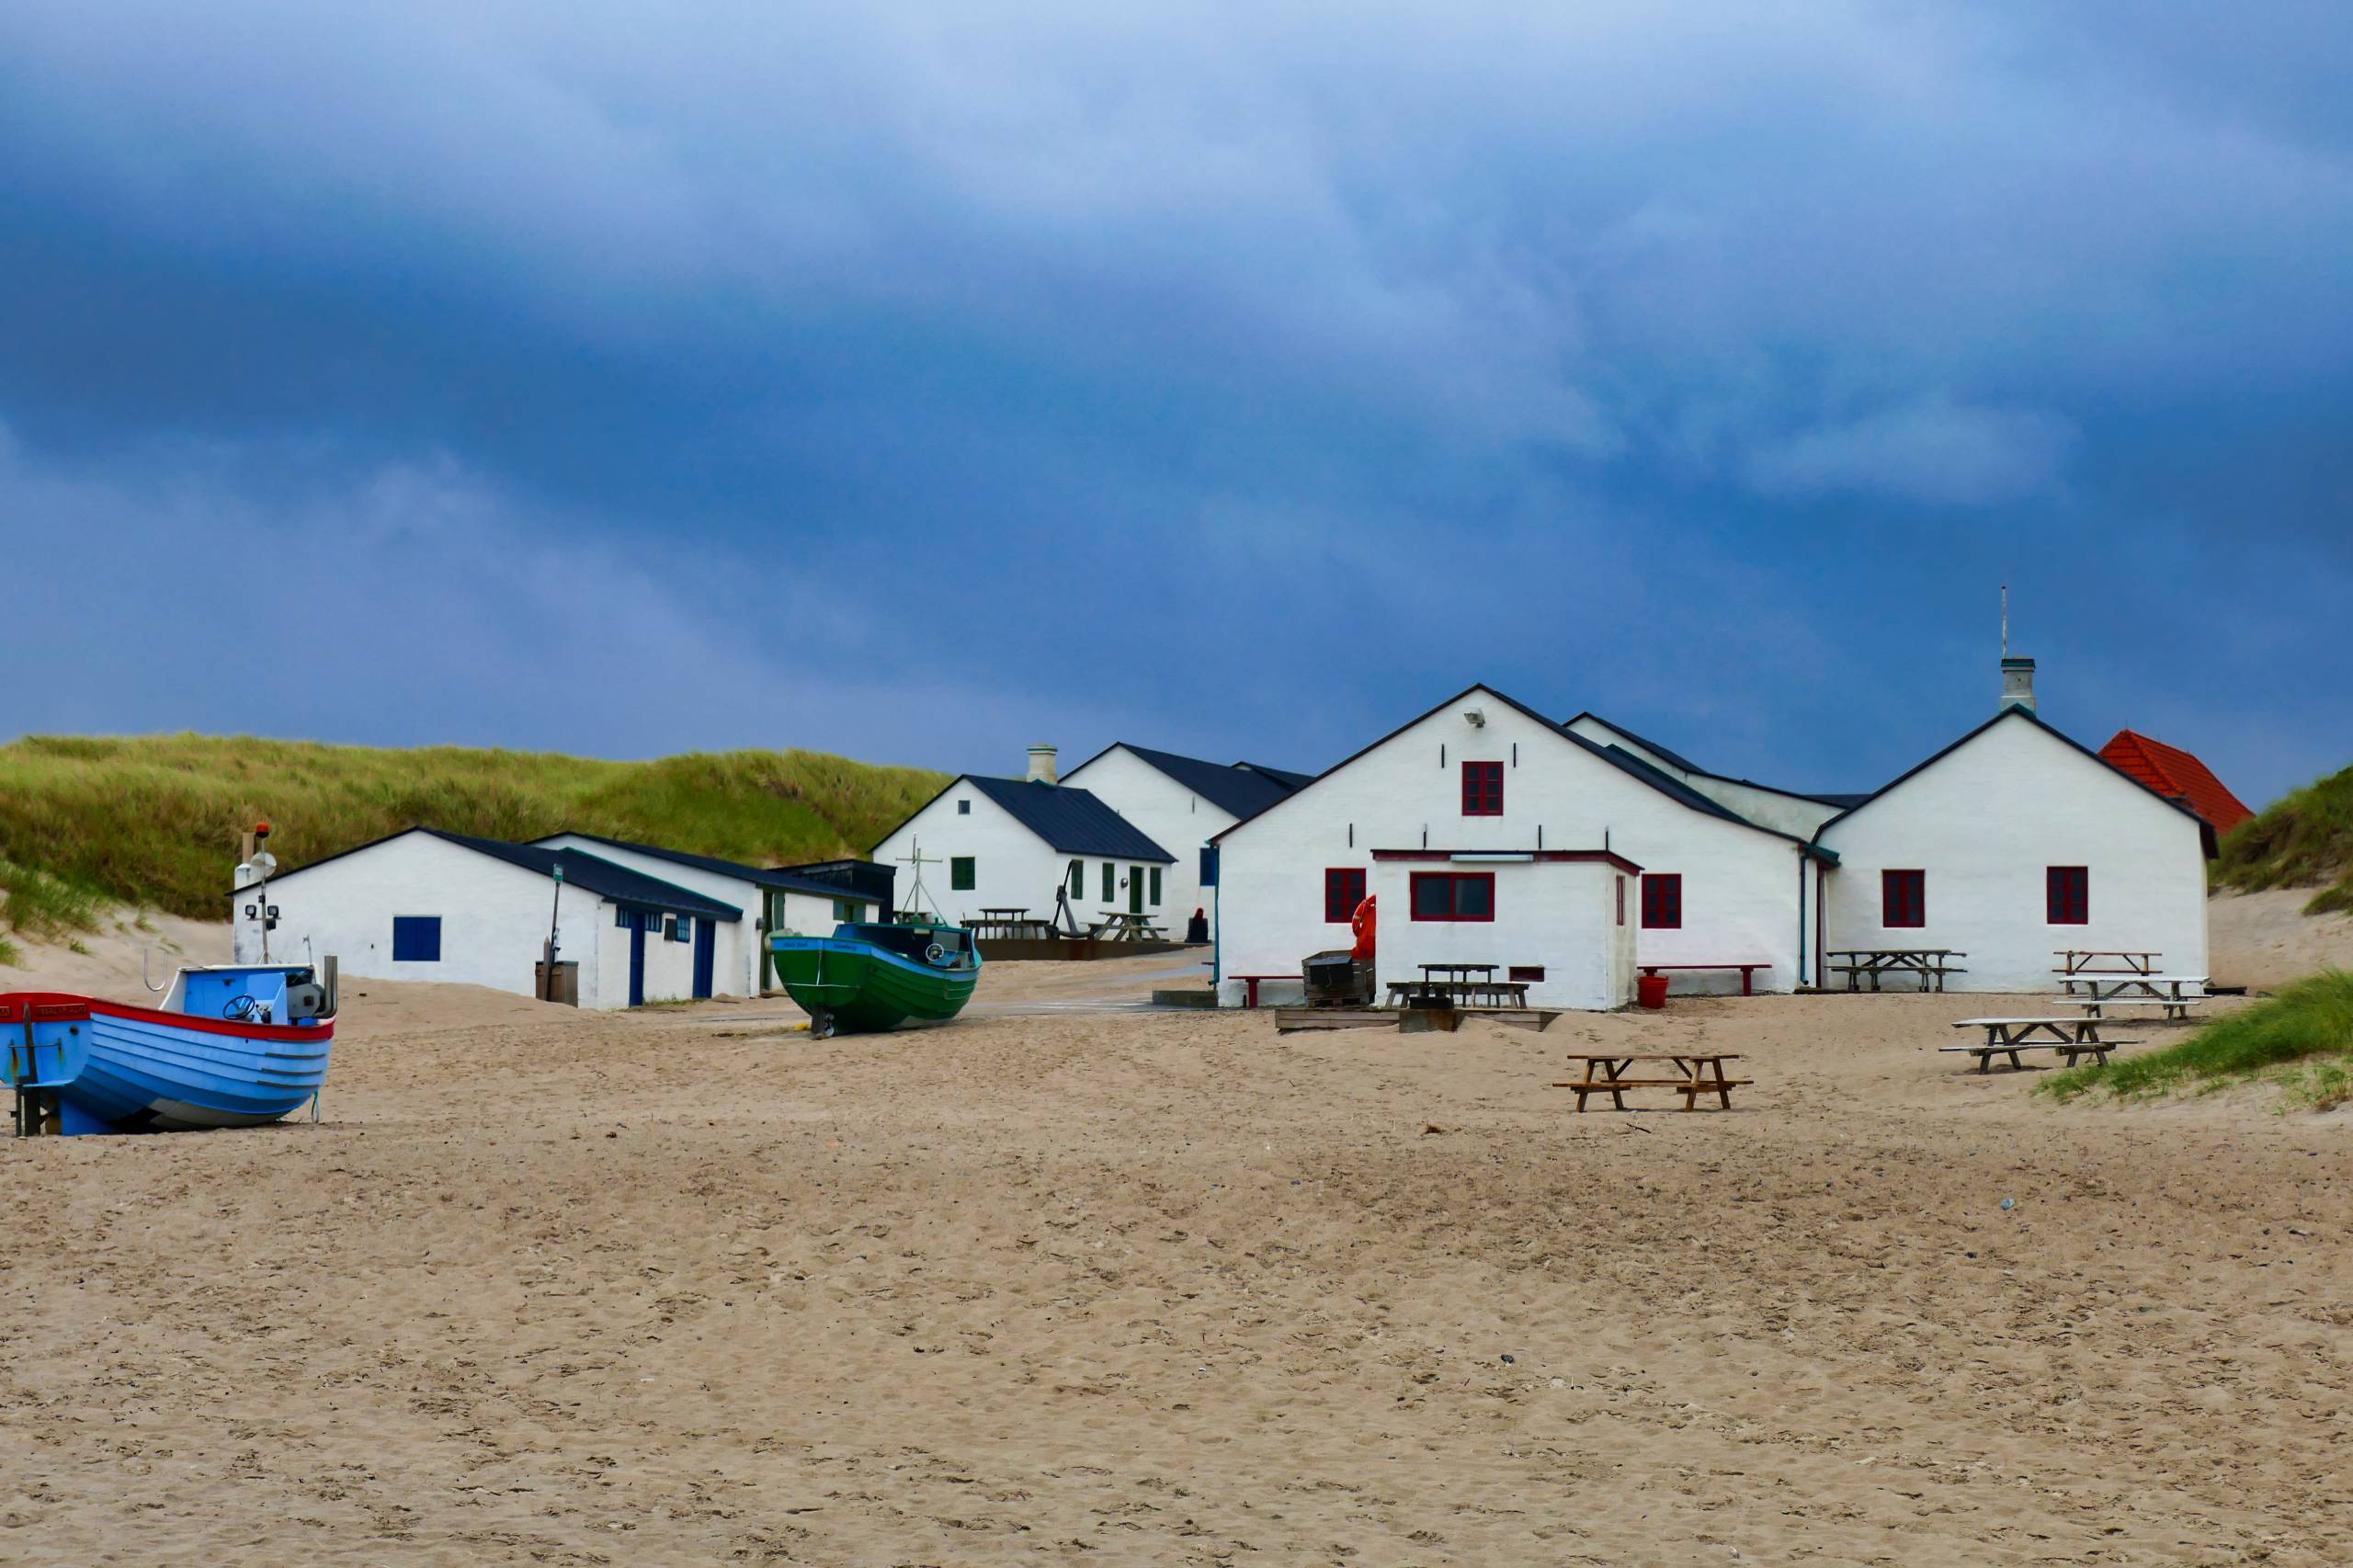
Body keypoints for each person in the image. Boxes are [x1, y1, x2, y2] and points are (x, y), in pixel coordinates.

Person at [1349, 892, 1377, 960]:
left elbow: (1355, 923)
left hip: (1365, 941)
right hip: (1377, 943)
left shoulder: (1367, 904)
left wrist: (1359, 934)